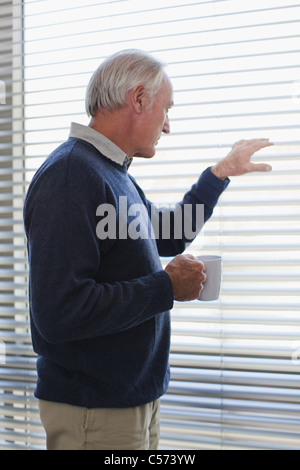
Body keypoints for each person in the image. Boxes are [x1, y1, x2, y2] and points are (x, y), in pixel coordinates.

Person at [23, 49, 272, 450]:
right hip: (94, 409)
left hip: (130, 400)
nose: (168, 126)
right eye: (166, 109)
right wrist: (167, 288)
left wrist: (219, 173)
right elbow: (59, 312)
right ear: (138, 99)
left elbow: (171, 233)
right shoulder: (71, 176)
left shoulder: (110, 174)